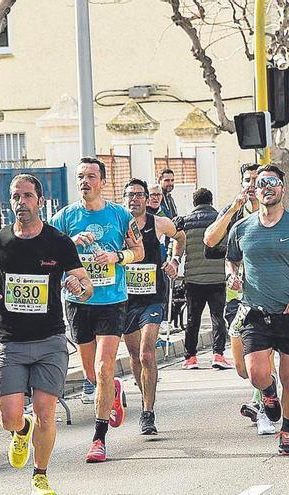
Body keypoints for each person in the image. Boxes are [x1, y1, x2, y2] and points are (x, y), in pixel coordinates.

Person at [0, 174, 93, 495]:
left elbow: (85, 285)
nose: (21, 202)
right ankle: (21, 430)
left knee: (45, 410)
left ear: (39, 201)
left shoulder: (58, 242)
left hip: (50, 341)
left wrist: (78, 286)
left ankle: (40, 475)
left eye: (27, 196)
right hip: (10, 342)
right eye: (15, 197)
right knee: (8, 416)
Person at [225, 165, 289, 455]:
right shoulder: (242, 227)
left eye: (272, 182)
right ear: (254, 191)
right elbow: (231, 259)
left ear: (282, 188)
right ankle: (268, 395)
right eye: (260, 183)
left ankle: (288, 430)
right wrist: (231, 273)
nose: (266, 187)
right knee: (256, 372)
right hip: (255, 312)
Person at [50, 157, 144, 463]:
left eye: (91, 176)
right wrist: (69, 250)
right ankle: (112, 390)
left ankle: (99, 439)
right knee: (93, 374)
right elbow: (47, 258)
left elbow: (139, 252)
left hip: (112, 301)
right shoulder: (64, 218)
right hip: (79, 303)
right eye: (80, 177)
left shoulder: (119, 215)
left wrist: (117, 256)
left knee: (104, 367)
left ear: (102, 182)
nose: (85, 181)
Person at [203, 163, 276, 434]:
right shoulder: (235, 213)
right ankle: (267, 391)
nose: (253, 185)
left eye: (258, 180)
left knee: (261, 354)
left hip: (269, 298)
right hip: (237, 299)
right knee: (244, 368)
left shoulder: (276, 213)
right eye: (248, 180)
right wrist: (233, 208)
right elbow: (210, 240)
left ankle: (262, 408)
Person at [121, 179, 178, 436]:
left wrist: (174, 260)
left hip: (153, 298)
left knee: (146, 354)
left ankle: (147, 412)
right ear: (124, 199)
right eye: (130, 195)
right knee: (134, 356)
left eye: (139, 195)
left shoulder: (159, 223)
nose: (134, 199)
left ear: (147, 199)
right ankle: (146, 396)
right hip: (125, 300)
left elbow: (181, 237)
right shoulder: (117, 225)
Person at [173, 188, 232, 370]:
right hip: (217, 278)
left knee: (193, 319)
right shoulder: (220, 221)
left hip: (193, 279)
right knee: (218, 318)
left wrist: (175, 262)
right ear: (211, 201)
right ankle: (218, 355)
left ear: (194, 203)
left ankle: (190, 358)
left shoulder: (185, 222)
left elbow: (178, 247)